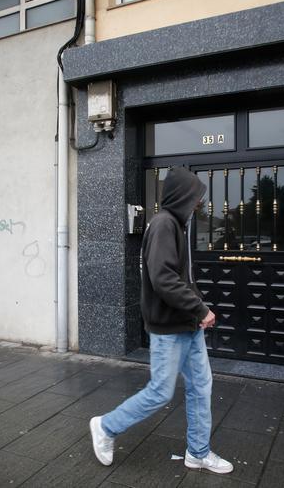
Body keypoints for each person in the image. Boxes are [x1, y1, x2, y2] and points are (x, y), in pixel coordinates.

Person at [90, 167, 233, 474]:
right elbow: (164, 279)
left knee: (200, 388)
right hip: (170, 330)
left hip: (188, 326)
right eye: (196, 199)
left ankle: (198, 452)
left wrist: (198, 312)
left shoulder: (176, 226)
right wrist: (200, 309)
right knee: (160, 392)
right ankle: (106, 426)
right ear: (183, 197)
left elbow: (180, 278)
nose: (199, 205)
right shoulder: (164, 225)